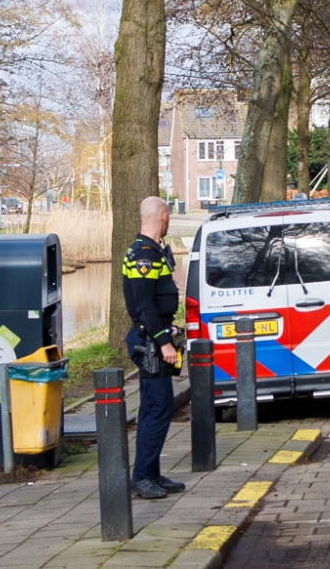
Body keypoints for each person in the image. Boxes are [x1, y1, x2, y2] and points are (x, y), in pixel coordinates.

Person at [122, 196, 185, 499]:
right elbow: (144, 305)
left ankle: (151, 473)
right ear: (164, 216)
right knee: (158, 407)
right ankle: (143, 476)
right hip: (149, 341)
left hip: (153, 336)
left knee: (152, 408)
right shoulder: (144, 255)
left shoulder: (152, 251)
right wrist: (164, 343)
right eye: (168, 216)